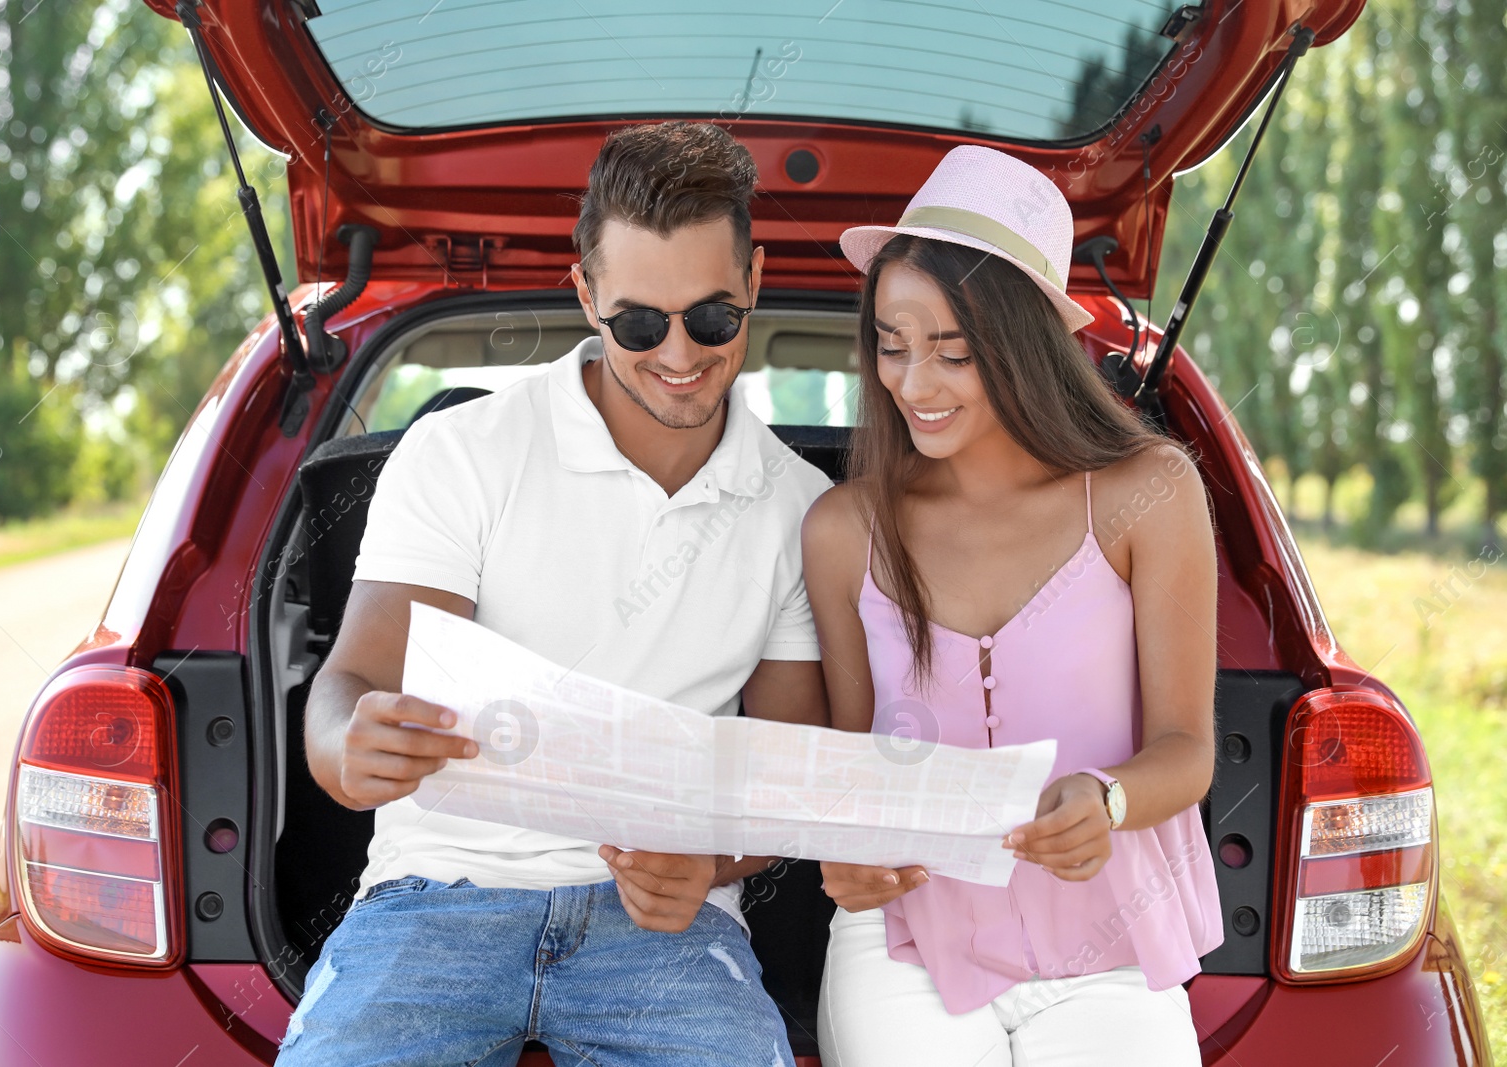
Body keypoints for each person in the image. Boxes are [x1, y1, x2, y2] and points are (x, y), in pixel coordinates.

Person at [277, 120, 834, 1067]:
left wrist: (708, 864)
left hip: (671, 929)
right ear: (586, 294)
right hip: (433, 894)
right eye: (639, 324)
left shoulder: (800, 508)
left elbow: (787, 777)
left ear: (753, 282)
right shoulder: (463, 452)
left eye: (711, 317)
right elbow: (353, 678)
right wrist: (344, 748)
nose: (680, 354)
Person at [802, 145, 1224, 1065]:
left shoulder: (1146, 492)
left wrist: (1110, 800)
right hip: (904, 941)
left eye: (951, 351)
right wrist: (842, 850)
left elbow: (1188, 749)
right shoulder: (843, 529)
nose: (912, 383)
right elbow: (848, 764)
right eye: (891, 343)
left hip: (1106, 940)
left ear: (1026, 343)